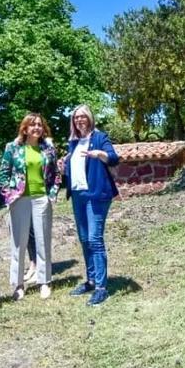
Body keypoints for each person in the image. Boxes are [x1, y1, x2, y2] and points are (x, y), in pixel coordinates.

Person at [0, 113, 60, 300]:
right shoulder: (13, 147)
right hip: (19, 199)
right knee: (18, 243)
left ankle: (44, 282)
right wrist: (9, 195)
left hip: (42, 199)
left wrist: (52, 194)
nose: (37, 128)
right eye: (33, 125)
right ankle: (18, 285)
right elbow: (3, 172)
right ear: (25, 128)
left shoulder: (48, 148)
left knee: (43, 242)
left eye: (40, 124)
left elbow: (56, 173)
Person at [62, 105, 119, 306]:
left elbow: (114, 158)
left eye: (83, 116)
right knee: (85, 239)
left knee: (95, 239)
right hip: (78, 194)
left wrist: (99, 154)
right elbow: (76, 168)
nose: (79, 120)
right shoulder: (73, 142)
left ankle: (101, 288)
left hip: (96, 194)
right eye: (76, 117)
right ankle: (91, 280)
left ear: (89, 118)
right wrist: (64, 167)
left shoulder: (100, 138)